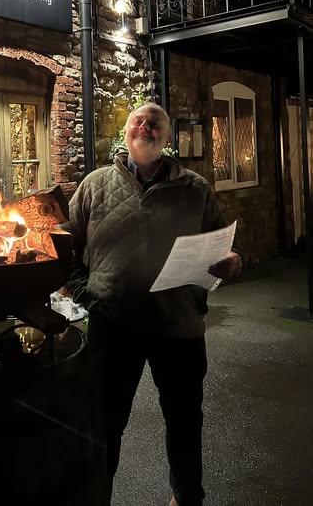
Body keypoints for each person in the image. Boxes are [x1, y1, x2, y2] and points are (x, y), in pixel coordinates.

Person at [64, 102, 242, 506]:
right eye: (137, 121)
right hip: (112, 324)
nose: (145, 126)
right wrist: (84, 292)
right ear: (126, 133)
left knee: (184, 422)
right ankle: (96, 497)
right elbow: (66, 246)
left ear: (167, 137)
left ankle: (188, 498)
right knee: (105, 424)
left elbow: (223, 247)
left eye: (154, 123)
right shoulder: (93, 185)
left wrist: (234, 263)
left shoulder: (195, 189)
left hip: (178, 325)